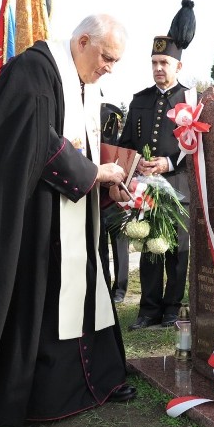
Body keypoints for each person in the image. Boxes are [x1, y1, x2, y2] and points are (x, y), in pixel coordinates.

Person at [0, 13, 136, 427]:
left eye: (115, 61)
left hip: (71, 217)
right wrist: (94, 174)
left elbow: (79, 146)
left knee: (85, 293)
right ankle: (39, 397)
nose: (109, 67)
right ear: (83, 41)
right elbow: (34, 138)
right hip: (32, 219)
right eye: (107, 57)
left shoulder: (83, 85)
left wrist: (107, 181)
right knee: (40, 303)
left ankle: (96, 381)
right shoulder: (33, 70)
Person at [120, 0, 195, 330]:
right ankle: (148, 309)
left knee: (177, 250)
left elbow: (199, 147)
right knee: (150, 248)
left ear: (178, 66)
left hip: (178, 187)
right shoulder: (140, 100)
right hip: (145, 188)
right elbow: (123, 144)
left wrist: (168, 162)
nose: (158, 68)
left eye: (164, 62)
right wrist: (136, 166)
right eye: (154, 62)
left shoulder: (191, 100)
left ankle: (171, 308)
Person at [98, 103, 129, 303]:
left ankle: (120, 289)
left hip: (115, 201)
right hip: (95, 200)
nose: (111, 127)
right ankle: (104, 288)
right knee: (99, 248)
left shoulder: (121, 144)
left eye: (114, 123)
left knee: (120, 247)